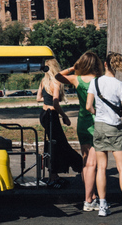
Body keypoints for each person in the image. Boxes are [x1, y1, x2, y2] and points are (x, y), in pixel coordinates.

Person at [86, 52, 122, 219]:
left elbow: (89, 106)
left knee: (101, 168)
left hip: (100, 127)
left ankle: (103, 205)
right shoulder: (121, 85)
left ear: (105, 64)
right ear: (117, 66)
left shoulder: (94, 82)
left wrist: (98, 113)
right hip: (115, 128)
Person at [56, 51, 102, 211]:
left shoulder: (77, 79)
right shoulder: (99, 81)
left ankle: (92, 195)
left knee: (86, 161)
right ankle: (88, 199)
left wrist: (72, 67)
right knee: (92, 164)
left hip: (82, 121)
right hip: (96, 121)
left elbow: (57, 76)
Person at [37, 58, 82, 188]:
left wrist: (47, 99)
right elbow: (56, 103)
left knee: (54, 144)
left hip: (43, 114)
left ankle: (54, 174)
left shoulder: (43, 82)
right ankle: (79, 164)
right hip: (52, 115)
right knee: (61, 143)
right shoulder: (56, 83)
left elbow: (38, 98)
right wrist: (64, 116)